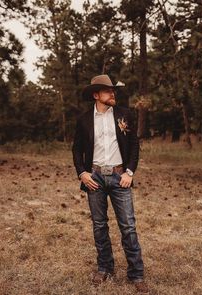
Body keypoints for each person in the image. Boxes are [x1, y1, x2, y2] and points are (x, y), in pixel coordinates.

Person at [72, 74, 149, 293]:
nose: (112, 93)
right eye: (107, 90)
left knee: (128, 227)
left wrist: (130, 172)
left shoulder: (125, 114)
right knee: (99, 226)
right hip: (94, 178)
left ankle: (136, 274)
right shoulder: (84, 120)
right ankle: (104, 268)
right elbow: (76, 149)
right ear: (96, 95)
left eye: (113, 90)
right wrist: (82, 173)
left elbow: (134, 145)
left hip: (119, 177)